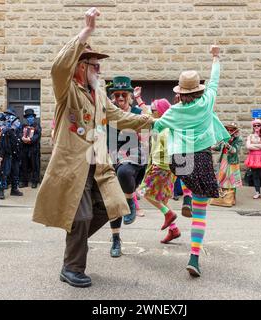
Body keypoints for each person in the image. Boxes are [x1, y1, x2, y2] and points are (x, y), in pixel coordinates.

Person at [32, 7, 154, 288]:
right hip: (73, 166)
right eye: (94, 65)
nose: (100, 70)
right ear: (80, 67)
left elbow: (119, 116)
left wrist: (151, 122)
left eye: (99, 65)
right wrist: (85, 33)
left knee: (113, 207)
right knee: (82, 215)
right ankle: (71, 266)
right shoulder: (67, 90)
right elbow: (58, 67)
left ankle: (75, 239)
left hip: (98, 162)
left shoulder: (98, 93)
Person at [153, 44, 230, 277]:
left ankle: (185, 194)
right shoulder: (207, 102)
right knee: (200, 213)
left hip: (180, 158)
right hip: (203, 158)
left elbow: (156, 126)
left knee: (185, 176)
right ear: (198, 89)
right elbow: (215, 80)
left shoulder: (174, 112)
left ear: (180, 93)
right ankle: (194, 258)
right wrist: (215, 57)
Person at [106, 75, 149, 257]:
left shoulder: (138, 113)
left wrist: (141, 138)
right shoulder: (108, 114)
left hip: (134, 162)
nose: (120, 98)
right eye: (117, 95)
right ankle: (116, 239)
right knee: (114, 202)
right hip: (112, 160)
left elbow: (147, 133)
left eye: (124, 94)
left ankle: (130, 201)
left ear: (129, 96)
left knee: (124, 171)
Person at [139, 98, 181, 243]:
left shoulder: (165, 128)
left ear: (161, 112)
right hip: (169, 168)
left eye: (154, 110)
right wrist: (139, 99)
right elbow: (148, 113)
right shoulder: (163, 123)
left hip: (161, 166)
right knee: (163, 200)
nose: (151, 112)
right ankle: (173, 230)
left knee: (144, 193)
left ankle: (168, 214)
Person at [213, 122, 243, 202]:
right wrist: (211, 146)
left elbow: (235, 150)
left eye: (231, 130)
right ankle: (223, 198)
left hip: (232, 162)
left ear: (235, 131)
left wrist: (228, 145)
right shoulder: (225, 138)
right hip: (224, 159)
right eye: (228, 130)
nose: (229, 131)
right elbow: (218, 147)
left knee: (232, 180)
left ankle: (232, 199)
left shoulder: (238, 139)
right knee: (221, 179)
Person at [0, 111, 24, 199]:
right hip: (7, 156)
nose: (18, 123)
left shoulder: (17, 131)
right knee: (4, 173)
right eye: (16, 121)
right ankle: (1, 191)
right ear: (12, 122)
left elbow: (19, 144)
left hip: (16, 156)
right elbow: (2, 145)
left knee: (15, 173)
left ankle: (14, 189)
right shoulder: (6, 131)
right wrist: (1, 155)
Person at [244, 119, 261, 201]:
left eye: (258, 125)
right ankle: (257, 192)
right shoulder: (250, 136)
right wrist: (260, 146)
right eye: (255, 125)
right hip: (253, 158)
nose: (256, 127)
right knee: (255, 176)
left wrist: (254, 145)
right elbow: (248, 146)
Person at [19, 109, 42, 189]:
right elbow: (19, 133)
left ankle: (34, 181)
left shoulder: (37, 126)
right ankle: (24, 181)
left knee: (34, 165)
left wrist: (31, 140)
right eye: (28, 117)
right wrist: (22, 138)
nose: (30, 118)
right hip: (24, 149)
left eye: (31, 117)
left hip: (34, 149)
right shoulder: (23, 126)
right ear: (26, 118)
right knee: (24, 165)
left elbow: (38, 135)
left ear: (33, 117)